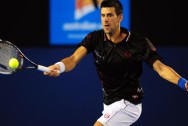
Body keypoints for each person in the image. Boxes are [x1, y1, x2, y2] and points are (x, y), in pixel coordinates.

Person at [44, 0, 188, 125]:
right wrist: (59, 66)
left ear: (120, 18)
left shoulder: (138, 43)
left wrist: (183, 82)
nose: (105, 20)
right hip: (108, 103)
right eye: (103, 15)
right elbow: (73, 59)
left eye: (110, 15)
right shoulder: (95, 38)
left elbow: (161, 68)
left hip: (129, 103)